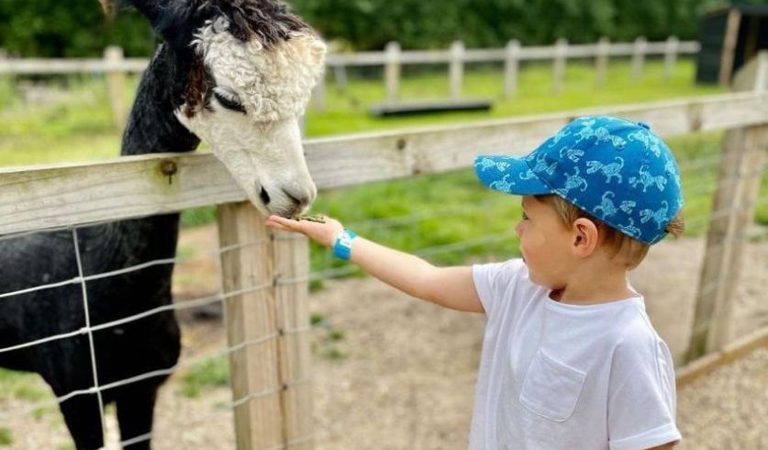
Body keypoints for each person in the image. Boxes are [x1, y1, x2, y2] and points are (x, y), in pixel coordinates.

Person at [266, 115, 684, 450]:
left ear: (580, 237)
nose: (517, 230)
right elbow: (427, 279)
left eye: (527, 218)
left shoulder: (628, 345)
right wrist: (341, 239)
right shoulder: (517, 287)